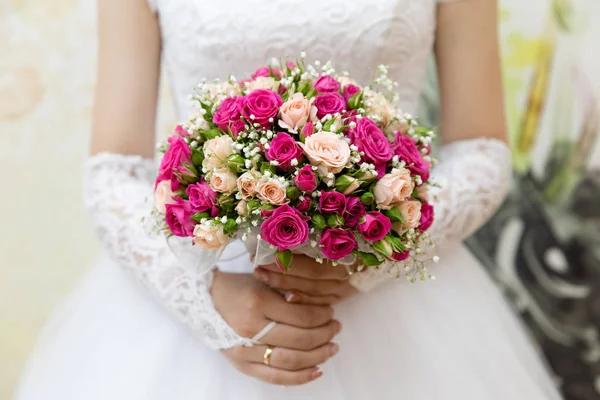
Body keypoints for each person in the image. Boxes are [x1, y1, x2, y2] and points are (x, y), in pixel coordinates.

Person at [16, 0, 563, 398]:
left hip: (394, 300)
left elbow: (482, 152)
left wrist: (368, 261)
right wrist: (204, 301)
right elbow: (113, 169)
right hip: (203, 284)